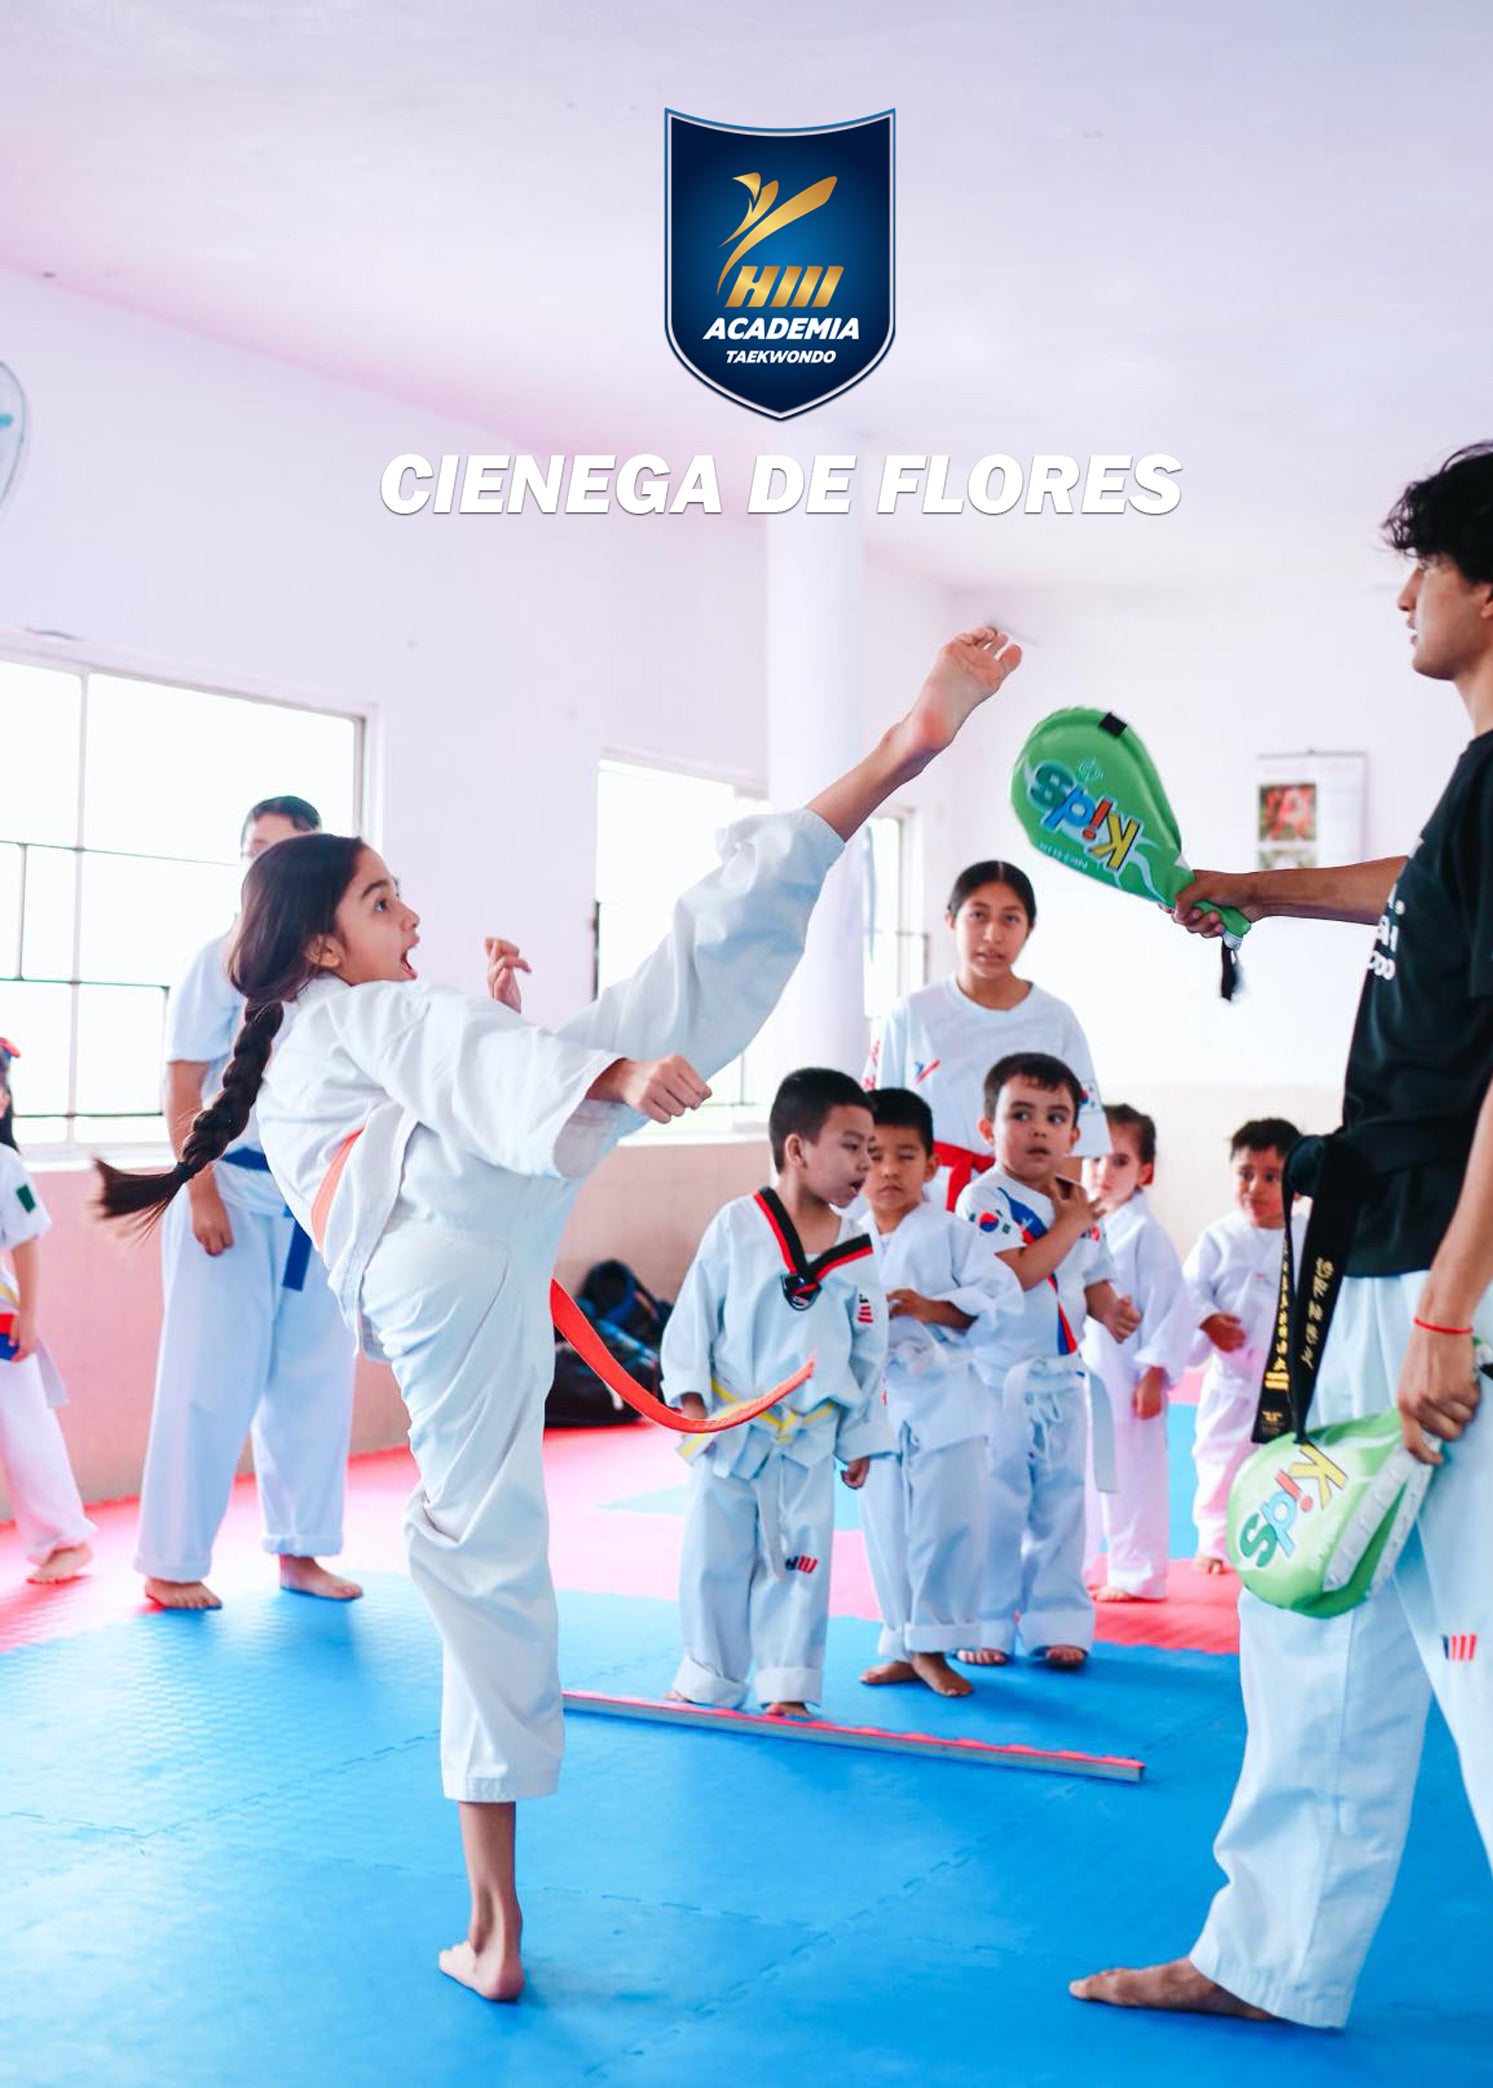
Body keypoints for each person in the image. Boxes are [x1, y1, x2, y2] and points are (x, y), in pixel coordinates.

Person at [97, 624, 1022, 2005]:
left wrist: (546, 1053)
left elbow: (451, 1062)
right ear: (323, 940)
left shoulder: (312, 1039)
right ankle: (893, 756)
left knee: (484, 1556)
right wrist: (600, 1077)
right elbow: (444, 1049)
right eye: (384, 900)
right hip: (457, 1223)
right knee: (669, 992)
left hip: (450, 1240)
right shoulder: (356, 1015)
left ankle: (493, 1926)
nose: (410, 915)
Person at [1072, 440, 1493, 2026]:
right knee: (1312, 1612)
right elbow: (1418, 884)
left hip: (1470, 1282)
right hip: (1383, 1261)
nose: (1406, 598)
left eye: (1426, 568)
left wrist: (1451, 1314)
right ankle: (1271, 1955)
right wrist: (1252, 889)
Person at [135, 795, 360, 1611]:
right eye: (255, 848)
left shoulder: (333, 971)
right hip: (225, 1184)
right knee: (206, 1378)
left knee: (314, 1380)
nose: (266, 862)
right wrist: (199, 1190)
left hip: (311, 1197)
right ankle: (171, 1561)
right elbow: (181, 1085)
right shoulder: (218, 960)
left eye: (284, 850)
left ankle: (302, 1550)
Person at [664, 1069, 888, 1719]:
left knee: (801, 1561)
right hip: (733, 1431)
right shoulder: (738, 1226)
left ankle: (788, 1682)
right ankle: (709, 1676)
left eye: (871, 1150)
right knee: (713, 1559)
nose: (865, 1164)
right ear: (798, 1149)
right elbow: (695, 1317)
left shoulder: (857, 1250)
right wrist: (691, 1403)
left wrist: (860, 1437)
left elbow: (869, 1353)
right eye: (851, 1146)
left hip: (808, 1438)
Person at [954, 1053, 1139, 1670]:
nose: (1039, 1129)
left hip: (1063, 1382)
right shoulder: (982, 1199)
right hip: (998, 1383)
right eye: (1021, 1115)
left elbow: (1091, 1274)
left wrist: (1110, 1310)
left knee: (1063, 1504)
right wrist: (1072, 1223)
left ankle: (1058, 1621)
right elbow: (1019, 1273)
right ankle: (986, 1621)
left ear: (1074, 1133)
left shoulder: (1074, 1199)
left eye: (1055, 1118)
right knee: (996, 1505)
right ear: (988, 1128)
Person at [856, 1086, 1020, 1696]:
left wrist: (932, 1307)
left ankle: (934, 1646)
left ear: (932, 1164)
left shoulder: (952, 1232)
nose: (888, 1170)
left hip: (946, 1398)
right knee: (885, 1526)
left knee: (947, 1524)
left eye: (905, 1155)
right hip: (877, 1402)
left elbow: (1001, 1300)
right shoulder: (845, 1236)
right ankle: (902, 1642)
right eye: (873, 1155)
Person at [865, 861, 1107, 1211]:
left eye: (1010, 919)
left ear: (1029, 928)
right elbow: (877, 1128)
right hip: (927, 1205)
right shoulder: (910, 1014)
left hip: (1026, 1209)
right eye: (978, 915)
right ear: (951, 920)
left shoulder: (1056, 1020)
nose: (993, 934)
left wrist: (1055, 1221)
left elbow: (1075, 1146)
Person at [1080, 1105, 1195, 1602]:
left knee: (1133, 1477)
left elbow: (1172, 1307)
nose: (1104, 1172)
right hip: (1084, 1377)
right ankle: (1070, 1567)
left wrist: (1155, 1373)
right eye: (1095, 1159)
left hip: (1129, 1382)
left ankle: (1138, 1572)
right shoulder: (1075, 1225)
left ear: (1144, 1172)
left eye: (1120, 1161)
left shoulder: (1145, 1234)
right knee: (1076, 1479)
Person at [1181, 1119, 1303, 1573]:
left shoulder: (1308, 1235)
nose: (1255, 1187)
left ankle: (1279, 1537)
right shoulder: (1219, 1237)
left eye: (1271, 1177)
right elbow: (1188, 1288)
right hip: (1231, 1380)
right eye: (1245, 1174)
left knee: (1284, 1462)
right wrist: (1208, 1320)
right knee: (1219, 1461)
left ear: (1296, 1187)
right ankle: (1215, 1542)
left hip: (1289, 1380)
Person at [0, 1043, 96, 1583]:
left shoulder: (6, 1166)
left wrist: (30, 1314)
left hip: (3, 1318)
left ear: (3, 1101)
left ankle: (66, 1539)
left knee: (24, 1429)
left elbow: (26, 1242)